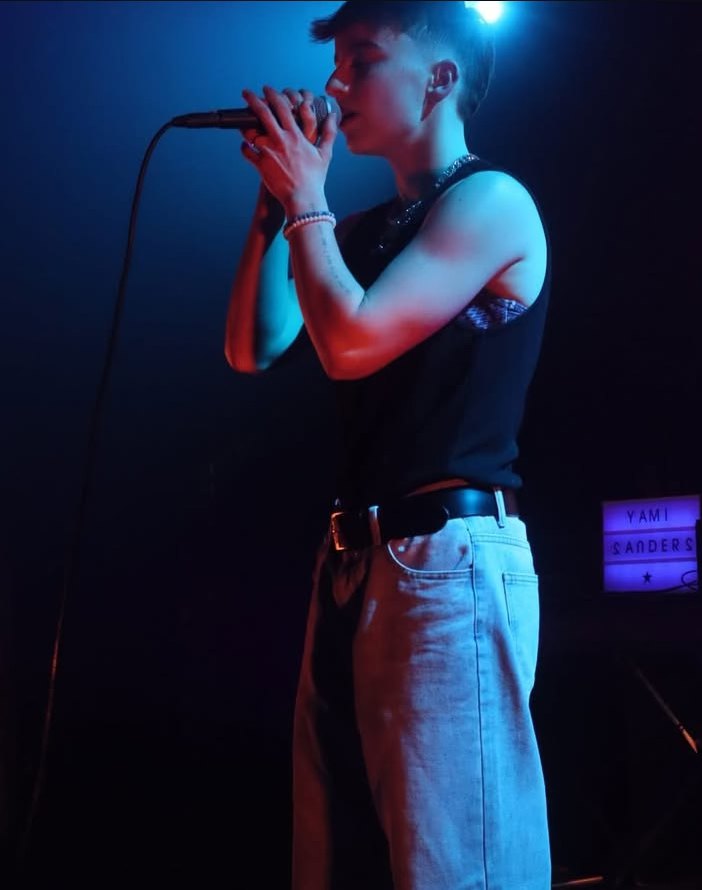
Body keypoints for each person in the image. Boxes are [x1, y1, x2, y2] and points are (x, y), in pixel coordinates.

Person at [224, 2, 551, 888]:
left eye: (361, 59)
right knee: (340, 859)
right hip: (354, 562)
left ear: (439, 79)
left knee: (454, 863)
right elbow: (254, 346)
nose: (334, 83)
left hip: (447, 559)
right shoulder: (362, 231)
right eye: (336, 62)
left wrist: (307, 201)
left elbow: (351, 343)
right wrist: (275, 207)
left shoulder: (491, 201)